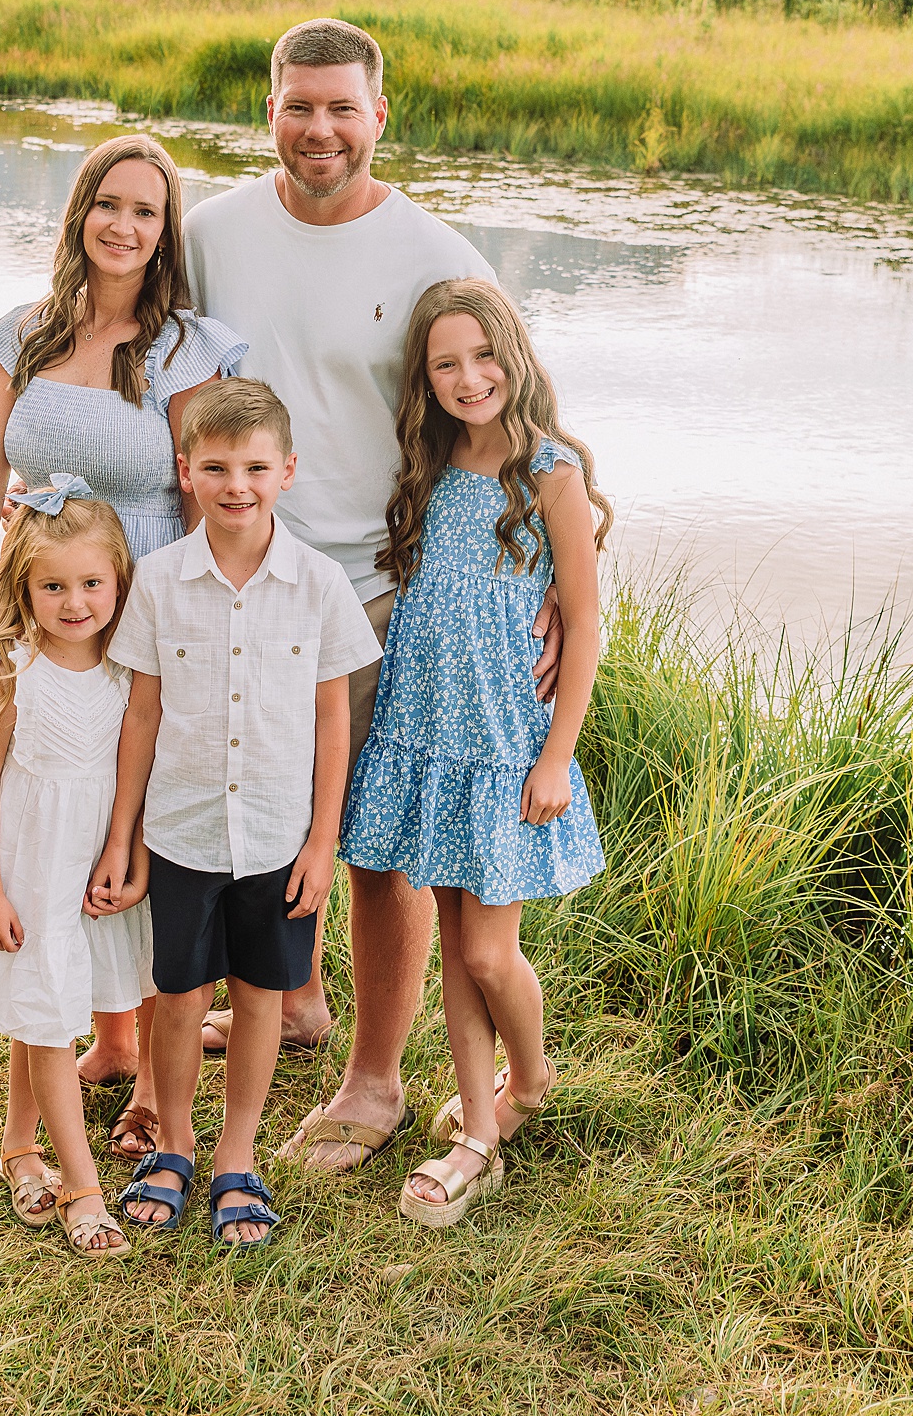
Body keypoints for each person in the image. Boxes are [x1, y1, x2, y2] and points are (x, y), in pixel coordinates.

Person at [182, 16, 565, 1174]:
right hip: (244, 580)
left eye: (342, 107)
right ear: (268, 112)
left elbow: (529, 418)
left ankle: (374, 1083)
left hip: (391, 591)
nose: (320, 129)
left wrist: (556, 576)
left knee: (375, 845)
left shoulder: (436, 256)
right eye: (299, 106)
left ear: (379, 115)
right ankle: (293, 1004)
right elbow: (154, 365)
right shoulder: (210, 235)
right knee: (243, 799)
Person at [0, 131, 244, 1161]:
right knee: (60, 806)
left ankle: (153, 1077)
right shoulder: (22, 335)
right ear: (81, 212)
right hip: (44, 606)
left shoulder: (183, 349)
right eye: (108, 204)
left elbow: (210, 485)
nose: (124, 225)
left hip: (148, 607)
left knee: (155, 831)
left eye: (148, 211)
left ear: (166, 232)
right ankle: (108, 1039)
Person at [88, 378, 383, 1250]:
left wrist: (324, 840)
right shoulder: (160, 583)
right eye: (215, 466)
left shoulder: (322, 585)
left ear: (287, 470)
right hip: (179, 830)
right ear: (187, 471)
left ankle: (235, 1156)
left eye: (255, 466)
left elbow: (336, 720)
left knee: (260, 995)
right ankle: (173, 1144)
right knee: (176, 994)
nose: (236, 484)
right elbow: (142, 712)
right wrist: (123, 837)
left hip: (277, 837)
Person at [340, 279, 608, 1228]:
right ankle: (479, 1131)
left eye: (483, 355)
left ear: (515, 354)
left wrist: (555, 756)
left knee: (491, 952)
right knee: (455, 937)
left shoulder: (550, 470)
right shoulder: (434, 459)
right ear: (426, 376)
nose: (468, 377)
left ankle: (526, 1083)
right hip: (430, 737)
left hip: (503, 745)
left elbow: (583, 625)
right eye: (446, 363)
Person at [0, 481, 149, 1261]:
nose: (75, 602)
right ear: (24, 586)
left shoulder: (126, 668)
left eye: (91, 583)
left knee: (40, 1002)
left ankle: (20, 1144)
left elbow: (131, 775)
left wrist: (125, 849)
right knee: (46, 1011)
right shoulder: (15, 665)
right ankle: (83, 1186)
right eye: (53, 586)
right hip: (26, 863)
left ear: (119, 581)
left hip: (85, 865)